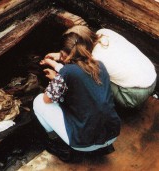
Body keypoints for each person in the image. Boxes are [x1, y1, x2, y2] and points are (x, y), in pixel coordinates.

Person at [33, 26, 121, 162]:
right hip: (112, 133)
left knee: (38, 102)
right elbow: (79, 76)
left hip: (84, 143)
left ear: (62, 53)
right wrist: (56, 70)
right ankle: (101, 147)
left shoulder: (67, 72)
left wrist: (56, 79)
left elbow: (47, 99)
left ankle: (58, 143)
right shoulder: (99, 65)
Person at [63, 25, 157, 108]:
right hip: (152, 75)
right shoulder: (103, 32)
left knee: (91, 78)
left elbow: (81, 73)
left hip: (136, 94)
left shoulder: (95, 60)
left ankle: (127, 103)